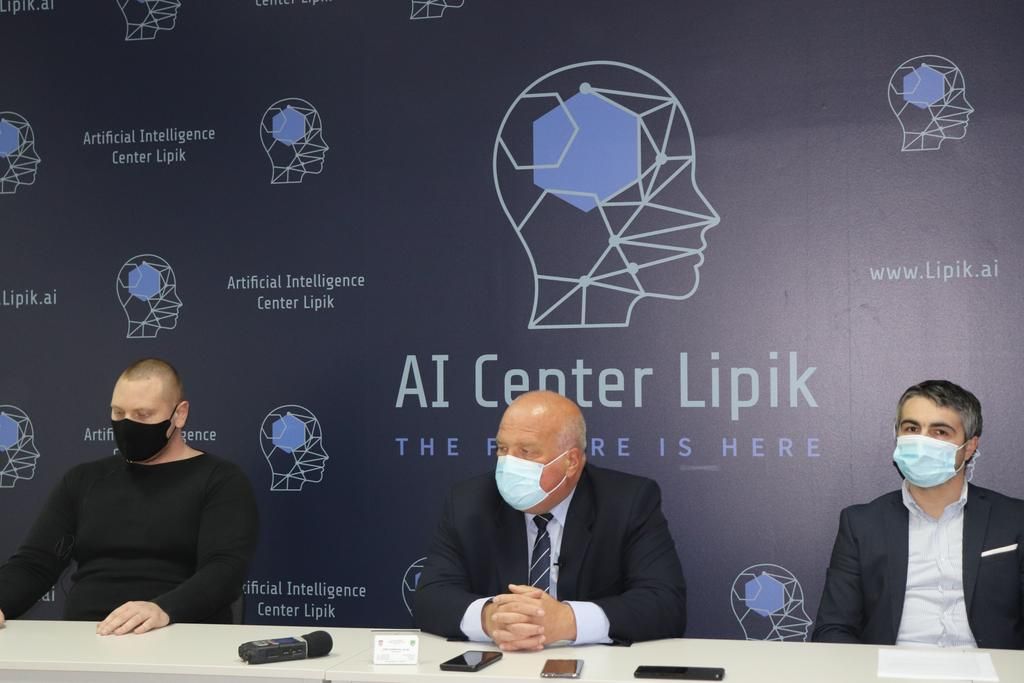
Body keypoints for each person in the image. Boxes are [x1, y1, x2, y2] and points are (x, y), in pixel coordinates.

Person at [0, 358, 259, 635]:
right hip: (86, 636)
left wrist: (162, 609)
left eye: (143, 414)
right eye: (118, 413)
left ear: (180, 414)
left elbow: (224, 571)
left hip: (178, 634)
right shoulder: (83, 480)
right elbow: (35, 564)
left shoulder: (220, 480)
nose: (127, 424)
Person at [414, 390, 686, 649]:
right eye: (502, 448)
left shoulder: (628, 501)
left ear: (571, 461)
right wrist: (491, 618)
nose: (508, 463)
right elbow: (430, 597)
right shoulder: (469, 502)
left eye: (526, 451)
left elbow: (664, 604)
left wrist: (567, 621)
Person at [813, 380, 1024, 649]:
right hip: (891, 666)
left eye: (940, 432)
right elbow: (833, 629)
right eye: (912, 428)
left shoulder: (1014, 519)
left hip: (989, 667)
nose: (922, 441)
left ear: (969, 447)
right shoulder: (861, 524)